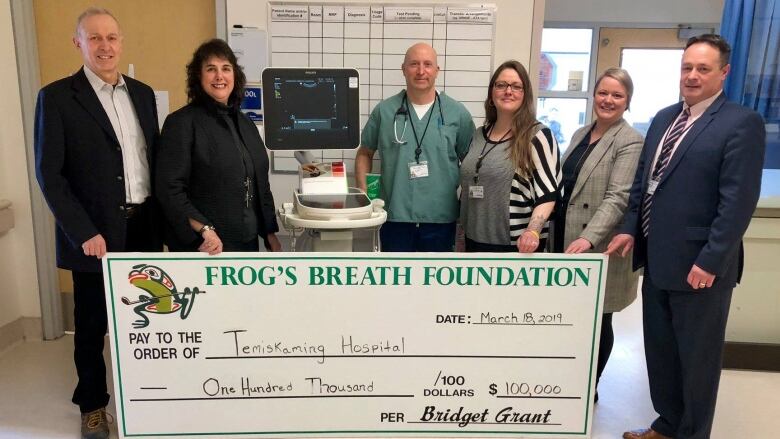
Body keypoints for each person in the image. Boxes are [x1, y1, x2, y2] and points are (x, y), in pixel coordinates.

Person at [606, 34, 765, 439]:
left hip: (701, 267)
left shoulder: (741, 123)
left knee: (696, 361)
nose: (691, 76)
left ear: (724, 73)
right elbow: (644, 183)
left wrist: (710, 261)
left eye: (703, 69)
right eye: (686, 68)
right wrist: (629, 231)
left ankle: (693, 433)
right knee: (661, 354)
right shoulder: (662, 119)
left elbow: (737, 204)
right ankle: (667, 424)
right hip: (657, 260)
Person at [34, 8, 161, 439]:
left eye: (112, 38)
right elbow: (50, 174)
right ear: (79, 44)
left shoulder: (142, 95)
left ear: (121, 43)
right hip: (95, 235)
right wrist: (83, 231)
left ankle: (146, 397)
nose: (105, 46)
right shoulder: (56, 98)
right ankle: (92, 405)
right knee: (91, 325)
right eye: (95, 39)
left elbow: (150, 163)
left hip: (143, 228)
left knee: (146, 319)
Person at [550, 68, 643, 400]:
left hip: (601, 246)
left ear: (627, 101)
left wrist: (589, 238)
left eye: (617, 95)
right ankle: (569, 377)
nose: (608, 100)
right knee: (573, 317)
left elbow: (619, 197)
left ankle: (590, 387)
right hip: (564, 237)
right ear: (594, 95)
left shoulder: (630, 140)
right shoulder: (579, 133)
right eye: (603, 93)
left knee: (599, 319)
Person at [156, 39, 281, 253]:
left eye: (226, 68)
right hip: (205, 244)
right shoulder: (182, 123)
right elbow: (169, 189)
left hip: (247, 240)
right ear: (198, 76)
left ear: (235, 75)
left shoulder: (245, 123)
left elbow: (260, 182)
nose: (219, 76)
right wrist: (204, 228)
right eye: (211, 69)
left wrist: (270, 233)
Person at [355, 42, 475, 252]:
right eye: (414, 64)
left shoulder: (457, 113)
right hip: (394, 218)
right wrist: (364, 194)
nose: (421, 71)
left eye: (428, 64)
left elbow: (471, 164)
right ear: (403, 69)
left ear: (437, 70)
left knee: (435, 282)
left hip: (441, 220)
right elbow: (365, 152)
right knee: (396, 281)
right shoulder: (385, 111)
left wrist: (469, 210)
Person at [459, 60, 561, 253]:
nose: (508, 91)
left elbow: (548, 193)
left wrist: (533, 232)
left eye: (516, 86)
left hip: (517, 246)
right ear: (491, 93)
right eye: (501, 85)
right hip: (473, 241)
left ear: (525, 95)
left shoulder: (537, 135)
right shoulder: (479, 135)